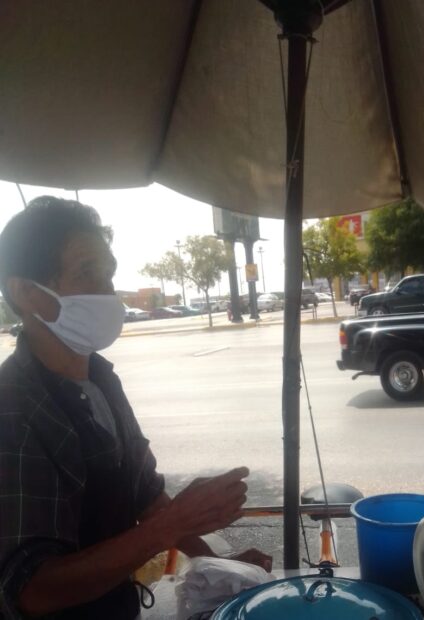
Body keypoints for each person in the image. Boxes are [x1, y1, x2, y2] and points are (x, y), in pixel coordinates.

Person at [0, 197, 271, 619]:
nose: (107, 292)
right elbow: (31, 590)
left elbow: (145, 495)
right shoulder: (13, 408)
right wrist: (173, 525)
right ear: (26, 292)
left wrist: (220, 564)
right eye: (86, 272)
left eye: (108, 273)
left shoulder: (102, 380)